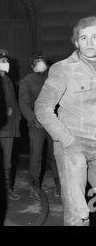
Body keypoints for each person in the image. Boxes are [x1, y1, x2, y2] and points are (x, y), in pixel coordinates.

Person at [34, 16, 96, 226]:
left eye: (95, 37)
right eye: (84, 38)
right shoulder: (63, 69)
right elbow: (42, 108)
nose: (90, 42)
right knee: (78, 213)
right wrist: (68, 140)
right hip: (73, 146)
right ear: (76, 42)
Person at [19, 52, 60, 199]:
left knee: (55, 155)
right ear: (32, 66)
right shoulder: (26, 81)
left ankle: (59, 184)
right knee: (36, 155)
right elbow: (23, 103)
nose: (40, 64)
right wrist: (32, 118)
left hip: (53, 123)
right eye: (37, 61)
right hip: (36, 124)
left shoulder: (53, 80)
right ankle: (34, 185)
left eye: (42, 61)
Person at [0, 49, 21, 201]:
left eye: (6, 61)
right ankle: (2, 190)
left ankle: (7, 188)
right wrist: (3, 112)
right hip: (1, 127)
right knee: (1, 159)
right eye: (2, 61)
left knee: (8, 158)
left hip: (11, 126)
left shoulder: (7, 80)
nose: (6, 64)